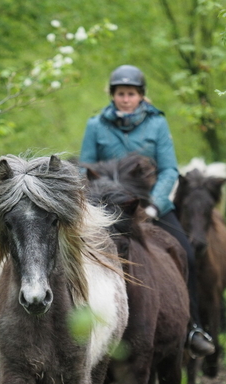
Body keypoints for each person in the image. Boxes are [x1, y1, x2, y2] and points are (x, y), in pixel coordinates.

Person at [79, 64, 214, 358]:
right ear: (112, 95)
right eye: (120, 94)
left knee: (186, 253)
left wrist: (154, 204)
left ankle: (193, 328)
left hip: (150, 205)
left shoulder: (157, 124)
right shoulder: (95, 126)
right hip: (108, 208)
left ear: (141, 96)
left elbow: (168, 170)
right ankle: (80, 323)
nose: (125, 99)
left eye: (131, 94)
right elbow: (84, 169)